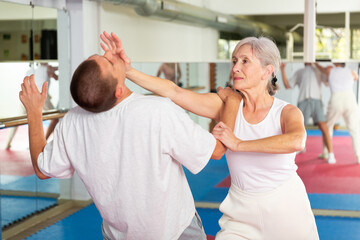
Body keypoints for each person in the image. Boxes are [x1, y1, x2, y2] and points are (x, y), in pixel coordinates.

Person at [101, 32, 319, 239]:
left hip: (287, 207)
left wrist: (238, 143)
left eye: (245, 61)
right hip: (241, 210)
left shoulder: (286, 112)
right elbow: (174, 92)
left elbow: (296, 140)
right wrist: (127, 71)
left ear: (267, 71)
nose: (235, 67)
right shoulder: (226, 106)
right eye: (234, 61)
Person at [19, 44, 239, 239]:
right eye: (108, 62)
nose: (109, 55)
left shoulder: (72, 122)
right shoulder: (158, 111)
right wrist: (231, 102)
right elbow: (217, 150)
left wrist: (33, 112)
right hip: (175, 232)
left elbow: (42, 168)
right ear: (119, 90)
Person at [280, 62, 335, 163]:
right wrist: (282, 69)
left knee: (323, 127)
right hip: (303, 101)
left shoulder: (318, 70)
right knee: (297, 127)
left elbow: (328, 78)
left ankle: (331, 154)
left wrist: (318, 65)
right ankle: (299, 148)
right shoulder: (299, 72)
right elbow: (288, 85)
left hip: (316, 100)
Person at [315, 62, 360, 164]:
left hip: (336, 99)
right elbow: (356, 78)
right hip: (350, 100)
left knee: (328, 127)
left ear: (336, 62)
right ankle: (358, 155)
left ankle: (326, 152)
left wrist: (314, 63)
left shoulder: (330, 69)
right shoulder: (351, 72)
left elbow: (321, 68)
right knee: (354, 129)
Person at [5, 63, 58, 149]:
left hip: (26, 96)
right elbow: (56, 76)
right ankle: (43, 142)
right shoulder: (47, 68)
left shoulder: (30, 71)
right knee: (55, 118)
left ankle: (7, 143)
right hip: (39, 96)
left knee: (17, 120)